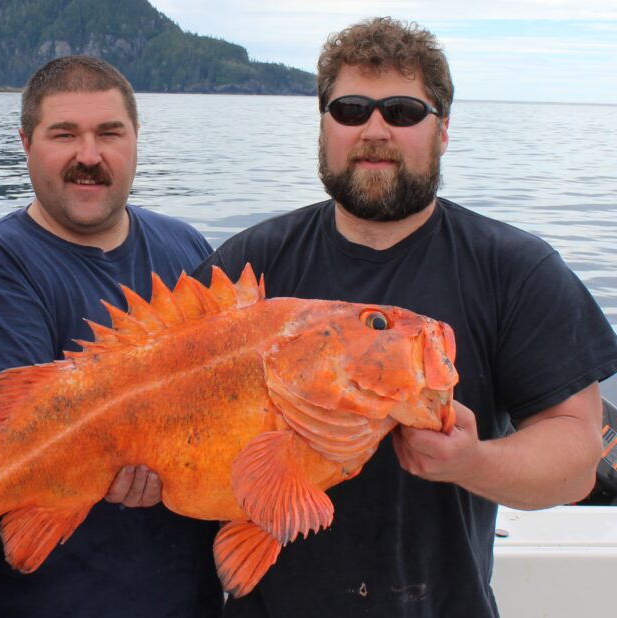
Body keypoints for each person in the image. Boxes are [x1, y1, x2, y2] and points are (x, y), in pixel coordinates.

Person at [193, 17, 617, 617]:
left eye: (402, 111)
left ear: (442, 130)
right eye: (350, 109)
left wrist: (475, 462)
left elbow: (578, 456)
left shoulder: (515, 269)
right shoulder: (247, 266)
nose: (374, 129)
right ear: (323, 125)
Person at [0, 56, 224, 616]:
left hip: (189, 595)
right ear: (25, 143)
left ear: (136, 139)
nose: (89, 156)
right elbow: (8, 434)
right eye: (64, 134)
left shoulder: (186, 247)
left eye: (109, 133)